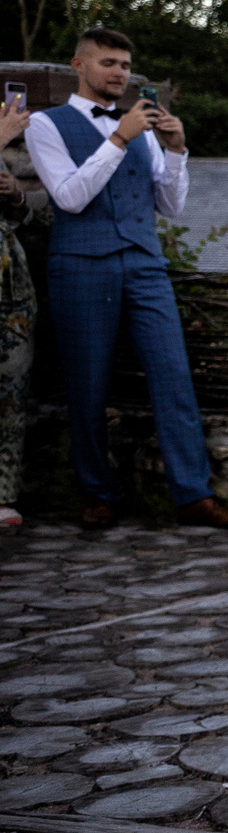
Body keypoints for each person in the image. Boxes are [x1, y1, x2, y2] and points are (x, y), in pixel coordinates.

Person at [25, 27, 228, 530]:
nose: (119, 73)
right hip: (81, 264)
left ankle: (193, 495)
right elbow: (69, 198)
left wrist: (175, 150)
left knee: (172, 375)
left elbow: (169, 206)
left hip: (146, 263)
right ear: (78, 66)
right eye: (108, 63)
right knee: (86, 383)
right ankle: (98, 494)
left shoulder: (145, 129)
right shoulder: (47, 124)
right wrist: (120, 137)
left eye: (125, 65)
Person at [0, 96, 35, 532]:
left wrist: (15, 196)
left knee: (12, 393)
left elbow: (23, 218)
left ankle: (3, 495)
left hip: (12, 293)